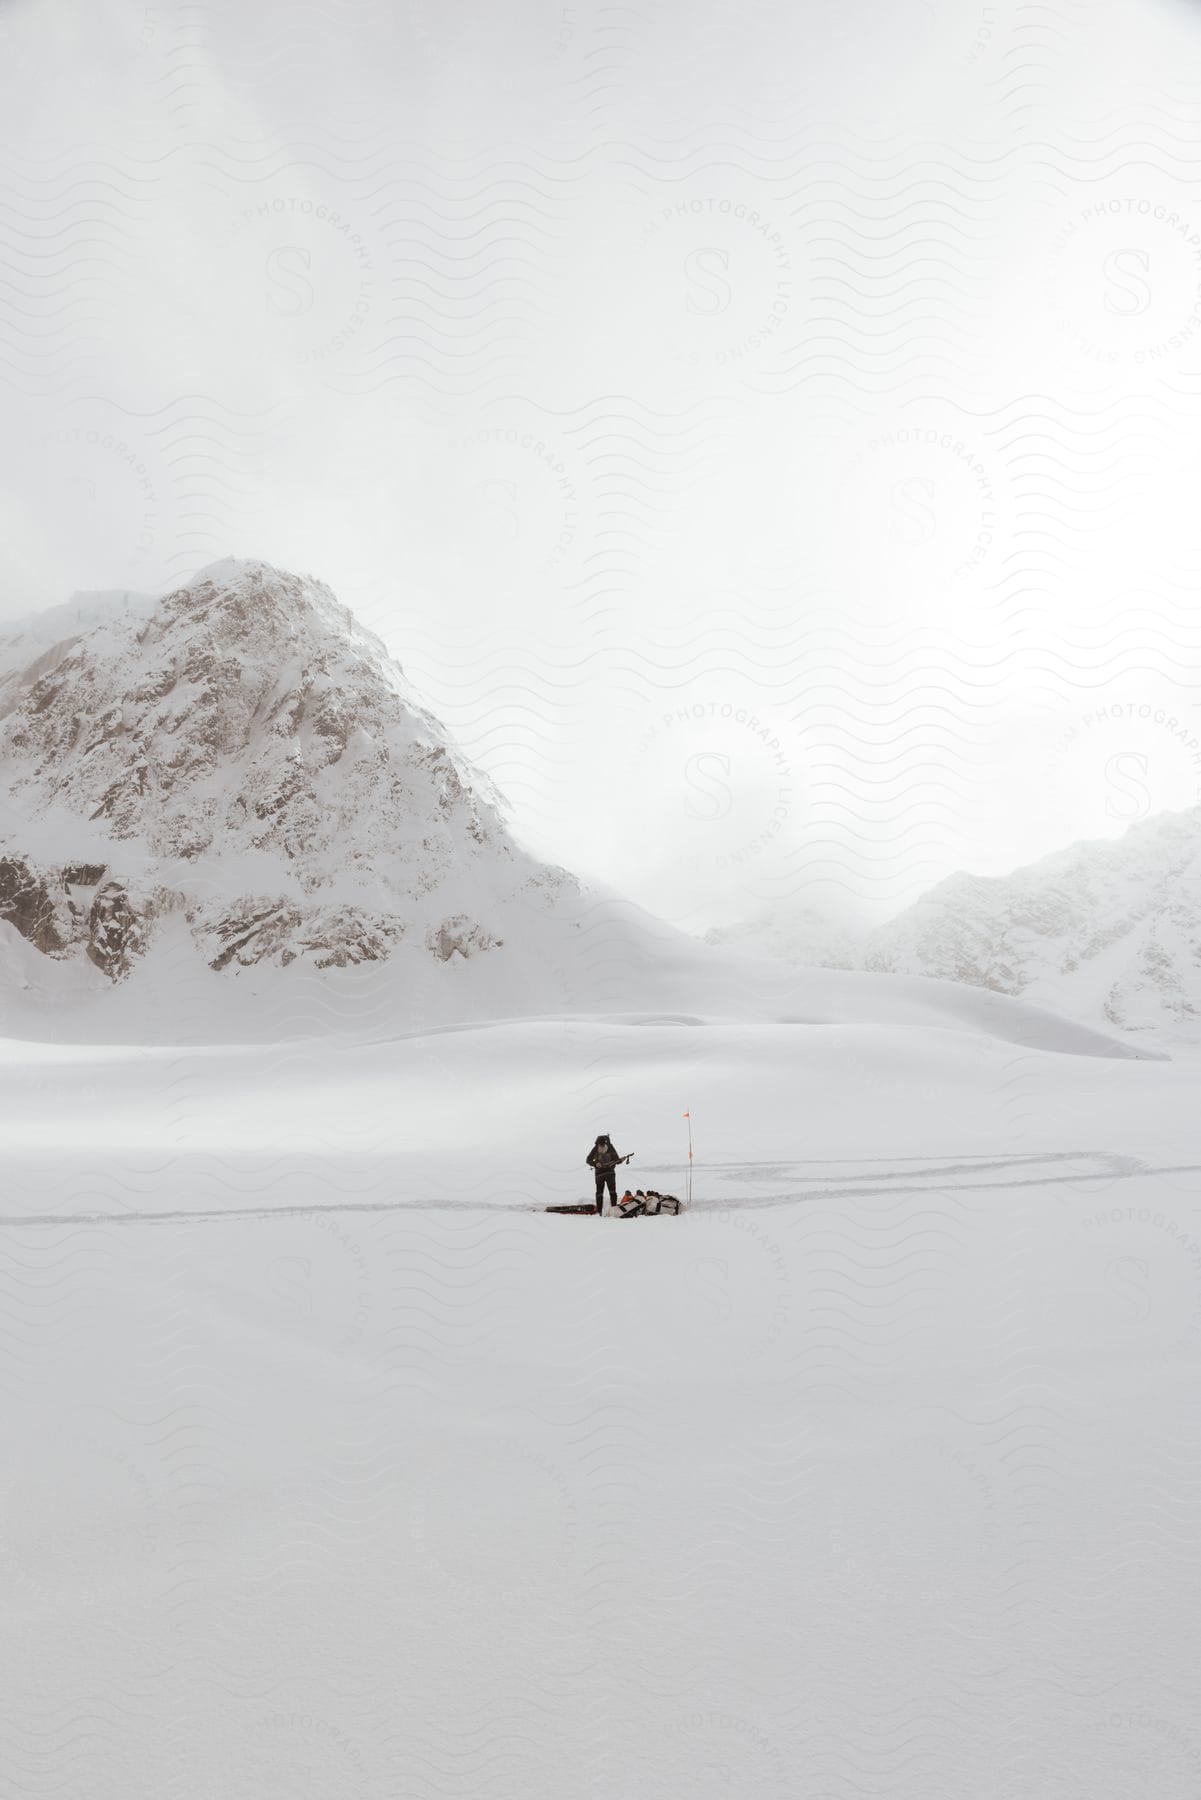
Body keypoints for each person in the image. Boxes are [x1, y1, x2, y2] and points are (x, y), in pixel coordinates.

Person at [586, 1133, 628, 1214]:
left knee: (612, 1192)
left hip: (610, 1174)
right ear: (597, 1143)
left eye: (603, 1144)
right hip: (599, 1175)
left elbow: (616, 1160)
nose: (601, 1146)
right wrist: (595, 1163)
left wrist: (621, 1160)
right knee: (599, 1193)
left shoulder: (611, 1148)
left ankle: (614, 1210)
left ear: (606, 1143)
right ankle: (599, 1212)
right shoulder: (595, 1148)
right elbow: (588, 1160)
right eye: (600, 1145)